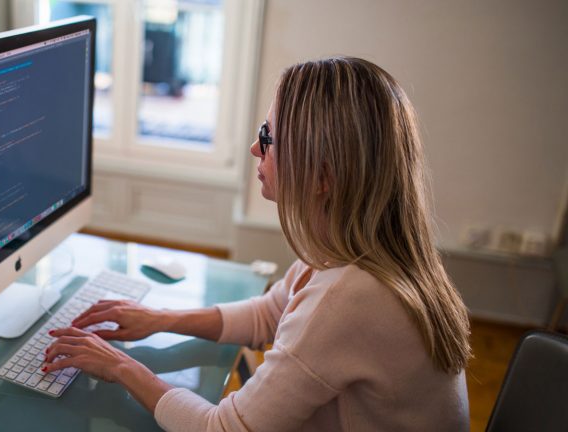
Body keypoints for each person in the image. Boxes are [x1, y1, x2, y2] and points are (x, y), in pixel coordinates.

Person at [43, 57, 472, 431]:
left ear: (323, 177)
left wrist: (119, 365)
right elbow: (270, 312)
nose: (254, 148)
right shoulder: (364, 247)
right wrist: (159, 318)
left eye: (267, 138)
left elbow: (222, 428)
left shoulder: (350, 297)